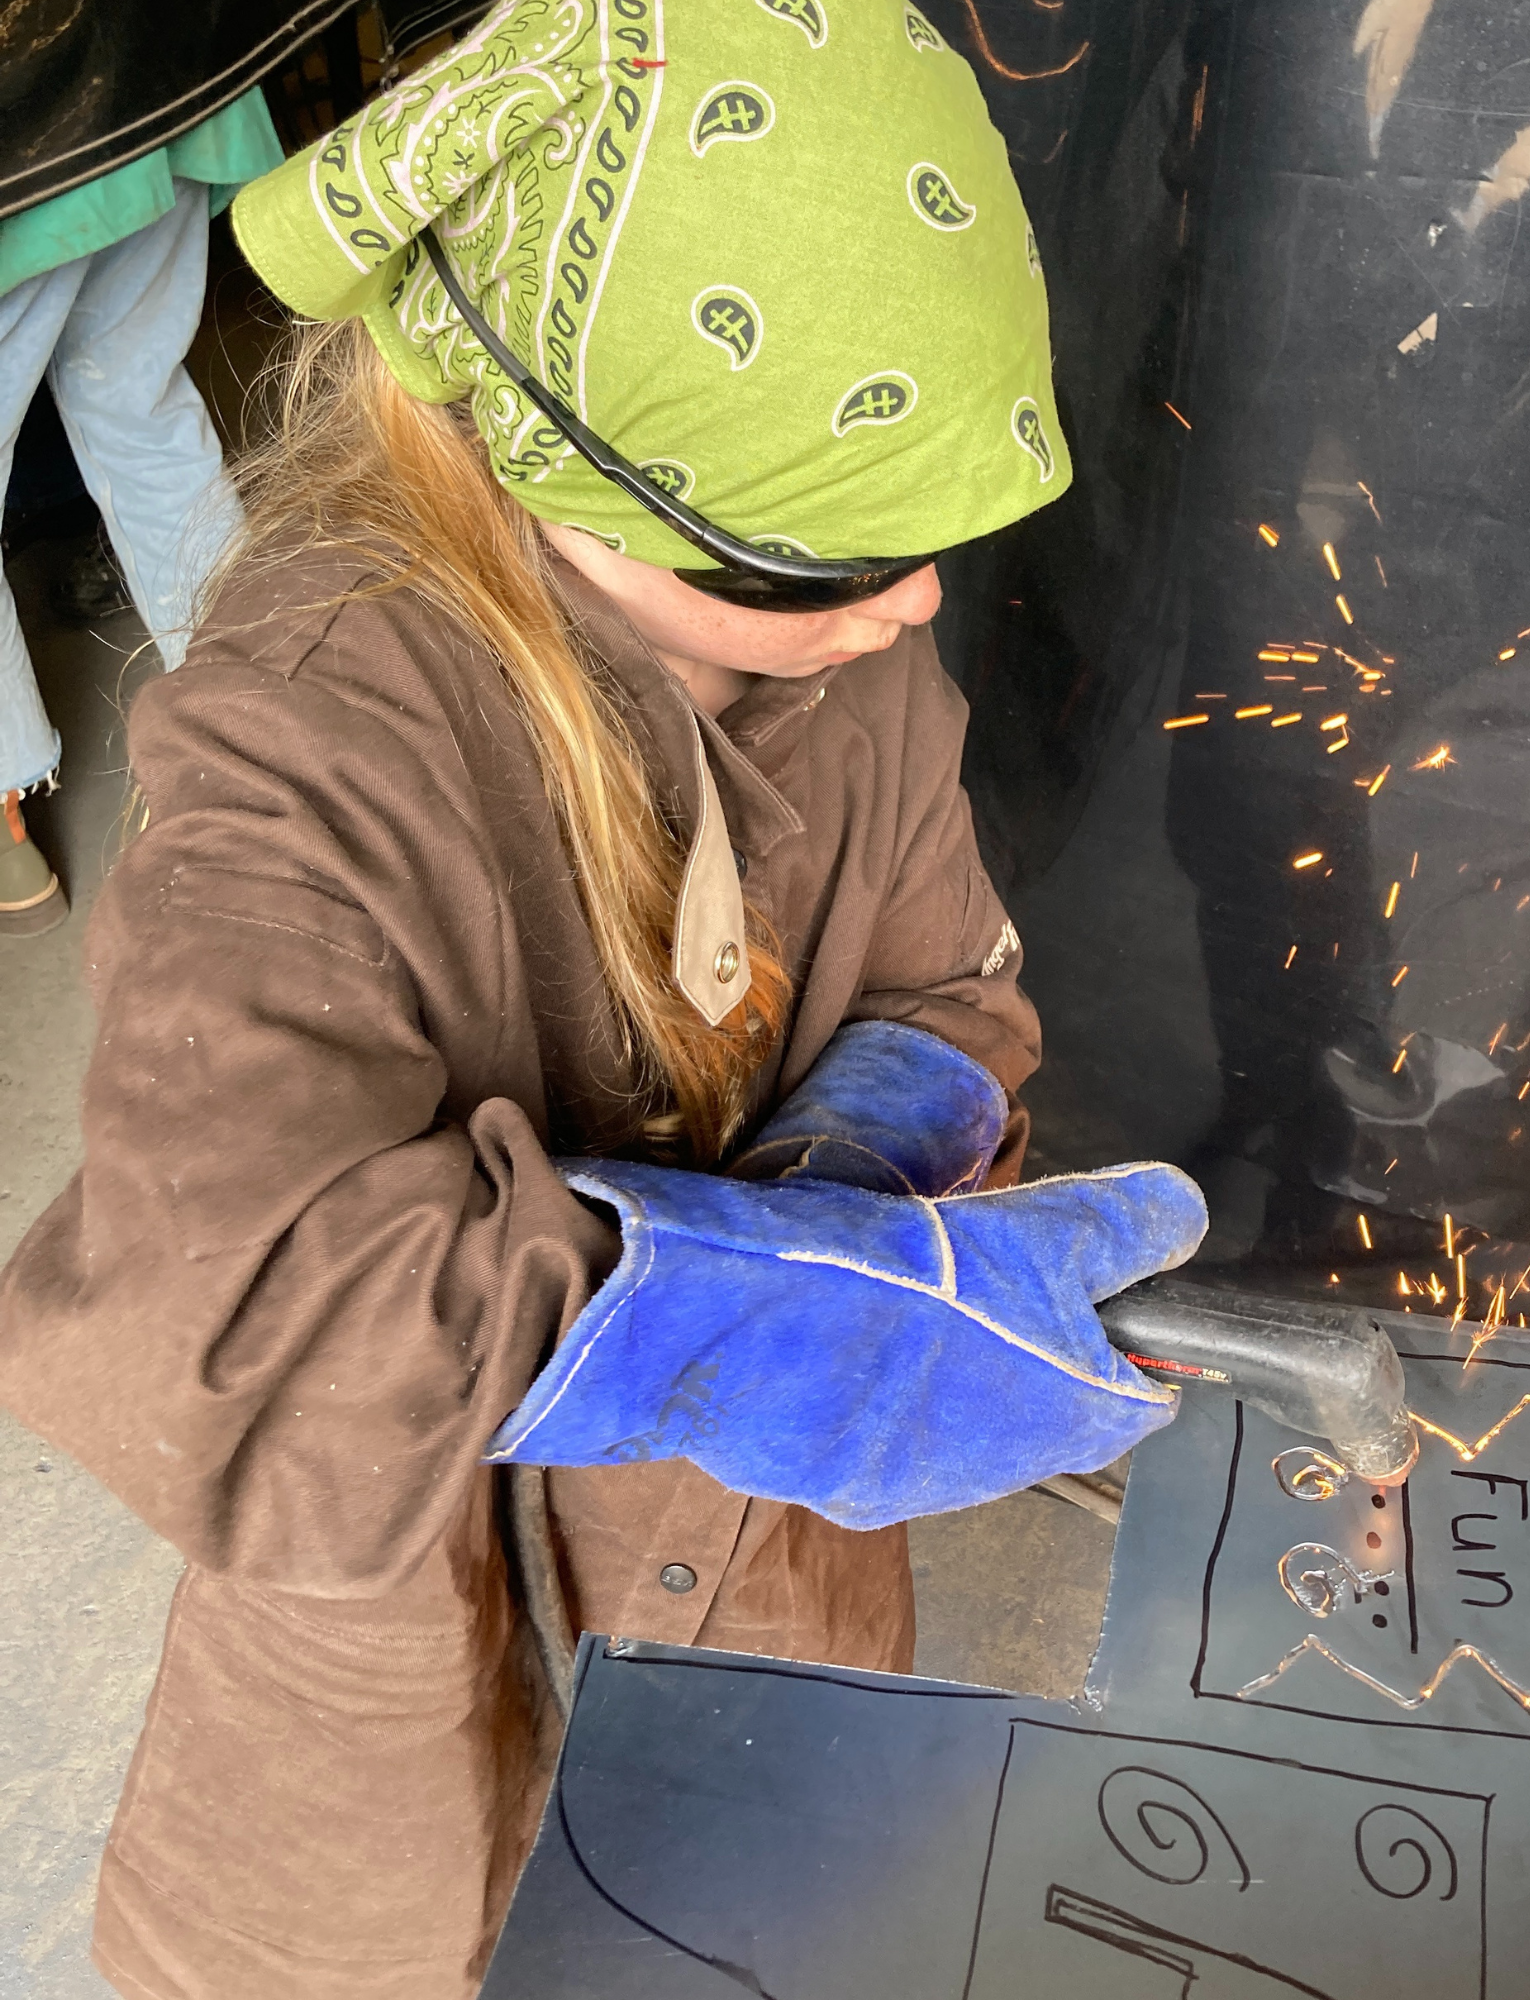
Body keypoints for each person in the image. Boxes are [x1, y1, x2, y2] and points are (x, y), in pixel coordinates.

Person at [0, 4, 1204, 1994]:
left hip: (760, 1608)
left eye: (923, 548)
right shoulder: (299, 755)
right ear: (576, 475)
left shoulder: (856, 658)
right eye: (819, 563)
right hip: (400, 1721)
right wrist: (725, 1310)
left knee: (760, 1919)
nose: (905, 609)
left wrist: (862, 1156)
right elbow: (213, 1319)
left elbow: (949, 966)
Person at [0, 90, 282, 933]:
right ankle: (256, 744)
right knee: (143, 418)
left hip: (21, 143)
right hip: (150, 87)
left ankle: (4, 813)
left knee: (140, 415)